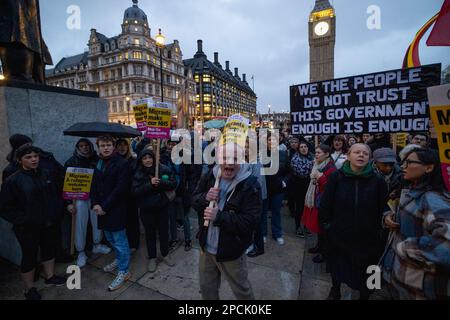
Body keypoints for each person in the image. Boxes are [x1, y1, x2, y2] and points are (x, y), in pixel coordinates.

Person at [192, 143, 262, 300]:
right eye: (225, 158)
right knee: (207, 289)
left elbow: (250, 222)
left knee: (242, 291)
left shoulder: (250, 185)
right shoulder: (210, 175)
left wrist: (219, 217)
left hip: (231, 251)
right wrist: (205, 197)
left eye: (235, 158)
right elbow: (194, 200)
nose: (229, 162)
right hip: (206, 249)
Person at [319, 143, 388, 300]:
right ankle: (335, 289)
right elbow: (325, 204)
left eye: (365, 153)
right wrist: (328, 227)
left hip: (368, 237)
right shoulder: (336, 177)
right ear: (348, 156)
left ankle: (367, 295)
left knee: (371, 268)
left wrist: (381, 227)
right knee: (337, 265)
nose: (361, 155)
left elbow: (384, 206)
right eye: (357, 152)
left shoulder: (378, 181)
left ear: (370, 158)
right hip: (340, 234)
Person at [380, 148, 450, 300]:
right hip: (403, 279)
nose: (403, 166)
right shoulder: (411, 190)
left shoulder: (433, 199)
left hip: (419, 287)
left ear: (429, 168)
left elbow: (446, 245)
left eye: (409, 162)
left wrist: (404, 247)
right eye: (403, 162)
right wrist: (390, 217)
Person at [0, 145, 66, 300]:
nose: (34, 159)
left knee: (49, 250)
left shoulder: (46, 173)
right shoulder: (13, 180)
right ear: (20, 160)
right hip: (27, 228)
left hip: (49, 223)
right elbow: (4, 208)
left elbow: (56, 194)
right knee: (29, 257)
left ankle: (50, 277)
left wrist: (57, 211)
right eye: (28, 157)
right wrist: (24, 220)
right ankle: (29, 289)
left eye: (35, 156)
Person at [90, 136, 131, 292]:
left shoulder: (122, 163)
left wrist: (104, 206)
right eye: (102, 145)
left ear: (113, 146)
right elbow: (93, 186)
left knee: (120, 241)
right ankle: (120, 260)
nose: (105, 148)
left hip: (115, 208)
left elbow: (120, 189)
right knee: (110, 238)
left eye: (108, 145)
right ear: (98, 147)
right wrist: (95, 204)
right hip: (100, 209)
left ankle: (124, 271)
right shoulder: (98, 163)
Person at [64, 139, 111, 268]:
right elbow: (65, 184)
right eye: (81, 146)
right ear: (77, 147)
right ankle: (80, 251)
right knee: (80, 224)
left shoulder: (97, 160)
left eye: (86, 145)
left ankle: (97, 244)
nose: (84, 148)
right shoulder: (71, 162)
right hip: (79, 198)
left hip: (95, 196)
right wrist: (68, 202)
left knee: (97, 221)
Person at [132, 149, 177, 273]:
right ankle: (152, 257)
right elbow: (135, 192)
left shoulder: (163, 169)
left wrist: (161, 182)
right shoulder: (137, 173)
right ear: (141, 160)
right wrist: (149, 184)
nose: (148, 160)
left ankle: (165, 254)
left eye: (150, 157)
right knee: (150, 234)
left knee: (164, 232)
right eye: (144, 158)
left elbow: (173, 183)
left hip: (162, 207)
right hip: (146, 209)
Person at [302, 144, 336, 263]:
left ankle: (323, 253)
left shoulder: (331, 168)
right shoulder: (317, 165)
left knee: (323, 229)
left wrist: (320, 179)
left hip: (324, 202)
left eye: (319, 153)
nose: (316, 154)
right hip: (317, 199)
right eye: (315, 152)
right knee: (319, 228)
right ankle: (319, 247)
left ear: (327, 154)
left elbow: (331, 188)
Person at [264, 132, 289, 245]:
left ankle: (277, 234)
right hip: (264, 188)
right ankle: (263, 234)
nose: (272, 142)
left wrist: (284, 182)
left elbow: (289, 171)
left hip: (278, 189)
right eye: (269, 140)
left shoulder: (283, 154)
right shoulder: (260, 154)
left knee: (276, 212)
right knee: (262, 212)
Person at [116, 138, 140, 253]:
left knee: (132, 221)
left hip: (131, 196)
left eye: (124, 145)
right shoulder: (113, 160)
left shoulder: (134, 160)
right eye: (119, 145)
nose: (122, 147)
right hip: (118, 196)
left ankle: (133, 244)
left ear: (128, 146)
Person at [288, 141, 314, 237]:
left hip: (310, 185)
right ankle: (298, 227)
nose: (303, 148)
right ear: (298, 149)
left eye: (305, 147)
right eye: (301, 147)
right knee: (299, 207)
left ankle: (307, 226)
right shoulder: (295, 158)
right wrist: (312, 167)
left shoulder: (312, 156)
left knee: (309, 206)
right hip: (299, 185)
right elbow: (301, 172)